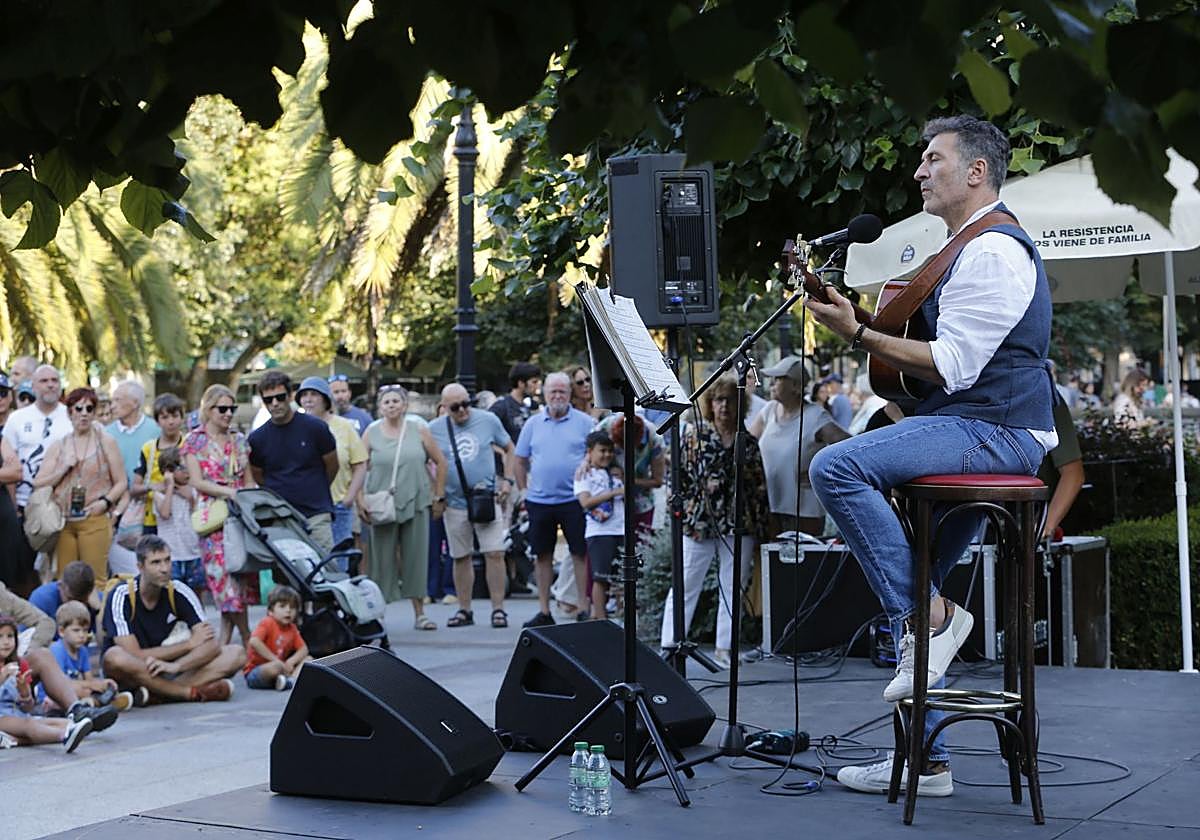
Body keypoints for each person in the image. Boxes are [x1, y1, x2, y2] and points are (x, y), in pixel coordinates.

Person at [805, 115, 1057, 797]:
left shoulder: (993, 250)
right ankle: (928, 761)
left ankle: (937, 618)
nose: (918, 171)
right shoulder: (961, 247)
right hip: (973, 424)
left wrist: (857, 331)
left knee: (836, 466)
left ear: (976, 172)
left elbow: (954, 364)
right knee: (917, 584)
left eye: (932, 159)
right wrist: (860, 324)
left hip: (998, 430)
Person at [659, 375, 768, 668]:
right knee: (685, 583)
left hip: (739, 523)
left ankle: (725, 648)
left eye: (730, 400)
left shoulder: (748, 441)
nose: (723, 406)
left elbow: (759, 488)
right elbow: (675, 476)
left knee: (733, 587)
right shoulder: (693, 436)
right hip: (699, 522)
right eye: (718, 400)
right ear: (709, 403)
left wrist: (762, 527)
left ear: (739, 404)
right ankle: (670, 646)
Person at [101, 535, 245, 703]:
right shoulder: (122, 595)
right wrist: (189, 644)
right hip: (134, 671)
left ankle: (157, 695)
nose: (164, 568)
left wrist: (178, 665)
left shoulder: (179, 590)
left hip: (167, 668)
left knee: (236, 653)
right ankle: (186, 693)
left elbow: (210, 644)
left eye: (167, 560)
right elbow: (133, 654)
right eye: (156, 563)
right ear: (140, 567)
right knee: (115, 656)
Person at [359, 384, 447, 630]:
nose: (391, 405)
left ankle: (420, 613)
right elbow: (358, 466)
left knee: (416, 557)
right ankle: (378, 615)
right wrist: (359, 499)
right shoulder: (371, 432)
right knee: (381, 561)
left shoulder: (419, 429)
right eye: (386, 402)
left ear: (405, 405)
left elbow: (440, 462)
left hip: (416, 500)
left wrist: (438, 495)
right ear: (380, 407)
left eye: (396, 401)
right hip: (382, 505)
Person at [429, 383, 515, 629]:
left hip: (485, 496)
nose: (463, 411)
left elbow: (510, 448)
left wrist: (507, 481)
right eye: (456, 407)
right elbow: (424, 460)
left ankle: (498, 609)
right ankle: (464, 609)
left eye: (467, 403)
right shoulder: (433, 429)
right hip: (454, 501)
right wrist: (436, 490)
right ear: (444, 408)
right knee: (460, 556)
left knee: (495, 553)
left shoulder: (487, 420)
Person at [514, 371, 595, 628]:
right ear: (545, 394)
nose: (557, 396)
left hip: (574, 499)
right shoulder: (533, 424)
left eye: (562, 391)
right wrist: (524, 490)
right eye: (553, 392)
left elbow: (596, 455)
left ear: (569, 394)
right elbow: (519, 458)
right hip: (540, 500)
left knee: (580, 553)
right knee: (542, 555)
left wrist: (587, 464)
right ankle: (544, 610)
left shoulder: (584, 422)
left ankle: (583, 606)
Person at [181, 384, 257, 646]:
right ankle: (248, 640)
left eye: (231, 408)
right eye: (222, 408)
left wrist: (246, 497)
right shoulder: (195, 440)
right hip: (212, 518)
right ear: (208, 409)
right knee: (223, 582)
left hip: (240, 517)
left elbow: (248, 480)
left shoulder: (239, 440)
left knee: (240, 581)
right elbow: (196, 481)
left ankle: (224, 646)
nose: (228, 414)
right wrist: (229, 492)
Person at [749, 356, 850, 537]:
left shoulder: (816, 416)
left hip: (805, 512)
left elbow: (849, 448)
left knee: (803, 562)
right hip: (769, 505)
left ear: (796, 386)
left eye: (779, 379)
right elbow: (746, 446)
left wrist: (821, 475)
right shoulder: (769, 410)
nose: (772, 383)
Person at [33, 387, 126, 583]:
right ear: (69, 412)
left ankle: (98, 614)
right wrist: (63, 467)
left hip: (94, 517)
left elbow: (121, 482)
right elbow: (38, 482)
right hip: (64, 521)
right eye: (78, 408)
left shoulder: (106, 442)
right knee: (65, 581)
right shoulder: (59, 445)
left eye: (89, 409)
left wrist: (105, 502)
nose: (84, 414)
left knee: (96, 580)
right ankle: (70, 614)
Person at [248, 372, 339, 557]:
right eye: (268, 400)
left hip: (316, 514)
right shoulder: (257, 439)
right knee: (286, 580)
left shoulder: (315, 428)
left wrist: (316, 487)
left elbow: (332, 464)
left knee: (325, 571)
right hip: (280, 518)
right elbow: (258, 475)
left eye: (280, 397)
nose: (275, 403)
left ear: (290, 396)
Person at [0, 614, 95, 751]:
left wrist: (24, 692)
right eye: (0, 637)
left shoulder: (20, 664)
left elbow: (28, 707)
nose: (6, 642)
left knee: (64, 723)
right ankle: (64, 737)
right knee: (30, 726)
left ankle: (13, 739)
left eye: (10, 636)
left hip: (17, 714)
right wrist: (3, 676)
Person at [296, 377, 368, 555]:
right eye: (304, 395)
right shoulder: (295, 427)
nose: (308, 399)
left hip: (338, 506)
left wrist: (349, 498)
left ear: (326, 399)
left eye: (314, 394)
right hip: (305, 508)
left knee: (337, 564)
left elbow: (360, 464)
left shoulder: (344, 426)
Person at [3, 364, 71, 512]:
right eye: (44, 381)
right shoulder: (17, 419)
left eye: (55, 380)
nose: (50, 385)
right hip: (24, 503)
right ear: (33, 386)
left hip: (63, 503)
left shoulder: (72, 416)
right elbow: (10, 465)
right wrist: (13, 506)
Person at [44, 601, 134, 711]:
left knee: (95, 689)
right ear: (62, 631)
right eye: (76, 630)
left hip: (78, 690)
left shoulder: (83, 651)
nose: (82, 635)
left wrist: (101, 684)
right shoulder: (57, 650)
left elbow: (89, 679)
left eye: (85, 630)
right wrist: (92, 685)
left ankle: (94, 704)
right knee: (80, 690)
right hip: (54, 694)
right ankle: (103, 704)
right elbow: (59, 684)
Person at [574, 431, 625, 620]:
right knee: (600, 577)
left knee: (622, 577)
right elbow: (585, 502)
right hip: (600, 531)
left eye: (609, 451)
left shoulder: (614, 472)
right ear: (590, 452)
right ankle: (601, 618)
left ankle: (622, 618)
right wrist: (613, 493)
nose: (606, 455)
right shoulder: (584, 474)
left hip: (620, 528)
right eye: (601, 451)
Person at [595, 411, 664, 541]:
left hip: (640, 503)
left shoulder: (654, 438)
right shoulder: (605, 426)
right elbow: (590, 454)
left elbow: (658, 480)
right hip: (608, 504)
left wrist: (628, 480)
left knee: (640, 546)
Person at [130, 393, 188, 536]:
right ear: (157, 421)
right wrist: (152, 487)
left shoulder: (189, 446)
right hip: (153, 520)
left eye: (175, 416)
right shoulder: (148, 449)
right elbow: (134, 488)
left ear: (182, 418)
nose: (171, 422)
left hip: (184, 516)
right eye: (164, 417)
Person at [152, 447, 206, 595]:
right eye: (182, 468)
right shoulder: (159, 494)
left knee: (196, 595)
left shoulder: (193, 491)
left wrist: (191, 499)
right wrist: (170, 487)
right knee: (172, 595)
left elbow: (200, 517)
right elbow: (165, 513)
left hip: (194, 552)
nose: (187, 472)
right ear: (168, 471)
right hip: (172, 555)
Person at [243, 585, 309, 691]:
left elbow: (304, 649)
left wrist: (291, 661)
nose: (288, 610)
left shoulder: (292, 628)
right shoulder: (267, 622)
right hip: (257, 670)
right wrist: (276, 660)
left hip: (281, 667)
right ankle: (284, 680)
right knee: (275, 668)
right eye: (282, 606)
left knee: (309, 660)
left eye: (292, 607)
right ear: (271, 611)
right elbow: (254, 641)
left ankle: (290, 681)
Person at [105, 381, 160, 486]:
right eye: (112, 401)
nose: (112, 406)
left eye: (118, 400)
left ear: (135, 403)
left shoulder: (156, 430)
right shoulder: (106, 433)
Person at [27, 561, 96, 639]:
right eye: (70, 599)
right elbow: (26, 638)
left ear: (90, 593)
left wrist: (99, 610)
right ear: (60, 585)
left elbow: (104, 642)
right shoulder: (41, 599)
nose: (75, 605)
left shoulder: (97, 601)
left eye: (81, 601)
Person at [490, 362, 542, 444]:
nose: (537, 386)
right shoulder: (501, 406)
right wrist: (504, 453)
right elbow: (485, 434)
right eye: (534, 382)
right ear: (521, 383)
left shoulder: (527, 406)